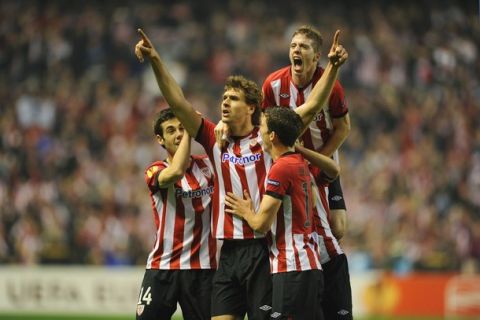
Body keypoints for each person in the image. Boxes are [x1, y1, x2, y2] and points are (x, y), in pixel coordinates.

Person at [135, 28, 347, 320]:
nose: (224, 102)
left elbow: (309, 109)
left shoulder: (267, 138)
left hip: (261, 252)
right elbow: (178, 103)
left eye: (233, 98)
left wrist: (333, 67)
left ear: (251, 107)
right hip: (228, 254)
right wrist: (156, 60)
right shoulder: (212, 138)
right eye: (224, 97)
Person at [262, 25, 353, 319]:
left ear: (316, 57)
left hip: (321, 161)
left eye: (303, 46)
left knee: (337, 230)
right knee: (302, 224)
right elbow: (265, 128)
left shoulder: (330, 85)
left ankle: (321, 288)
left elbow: (343, 128)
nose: (296, 50)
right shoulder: (273, 85)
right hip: (290, 164)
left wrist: (317, 162)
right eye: (293, 45)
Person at [224, 106, 340, 319]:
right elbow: (333, 170)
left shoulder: (281, 168)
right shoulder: (298, 163)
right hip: (307, 264)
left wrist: (246, 211)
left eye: (263, 127)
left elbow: (261, 224)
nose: (258, 131)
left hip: (292, 266)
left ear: (273, 136)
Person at [136, 109, 217, 320]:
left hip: (203, 269)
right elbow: (177, 171)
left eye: (182, 128)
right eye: (171, 131)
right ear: (160, 139)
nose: (179, 134)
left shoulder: (208, 166)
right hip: (163, 267)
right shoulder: (155, 170)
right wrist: (190, 132)